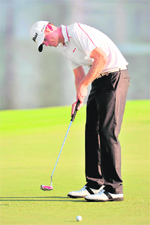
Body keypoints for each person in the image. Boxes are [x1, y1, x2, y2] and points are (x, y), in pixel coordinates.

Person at [30, 21, 130, 202]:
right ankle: (94, 184)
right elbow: (79, 76)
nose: (46, 44)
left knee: (107, 132)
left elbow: (101, 58)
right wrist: (79, 97)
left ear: (50, 28)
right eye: (42, 44)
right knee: (92, 131)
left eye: (44, 39)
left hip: (115, 76)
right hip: (99, 80)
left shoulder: (76, 31)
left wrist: (84, 85)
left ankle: (114, 189)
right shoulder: (65, 48)